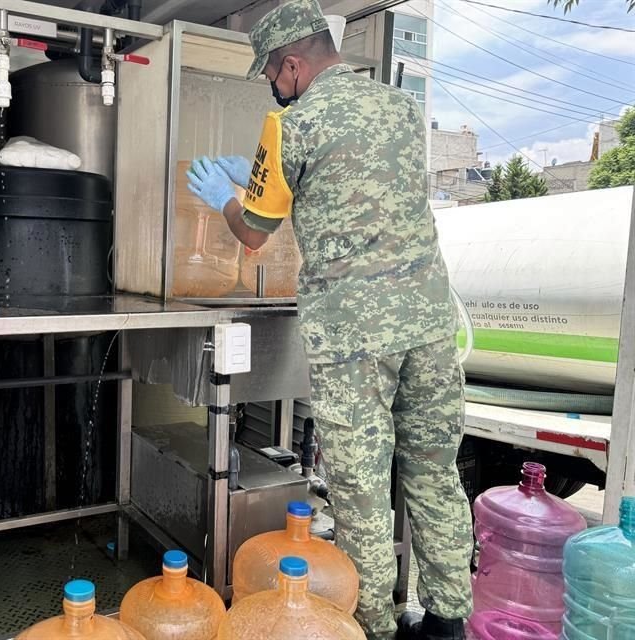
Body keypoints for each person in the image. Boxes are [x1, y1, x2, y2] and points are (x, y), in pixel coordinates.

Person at [184, 2, 473, 639]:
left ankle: (374, 627)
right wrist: (260, 174)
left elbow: (253, 234)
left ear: (292, 64)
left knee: (362, 490)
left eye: (271, 74)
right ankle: (449, 620)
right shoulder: (399, 106)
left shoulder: (289, 125)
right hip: (428, 322)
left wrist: (229, 196)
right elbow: (355, 179)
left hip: (354, 335)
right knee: (433, 470)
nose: (272, 85)